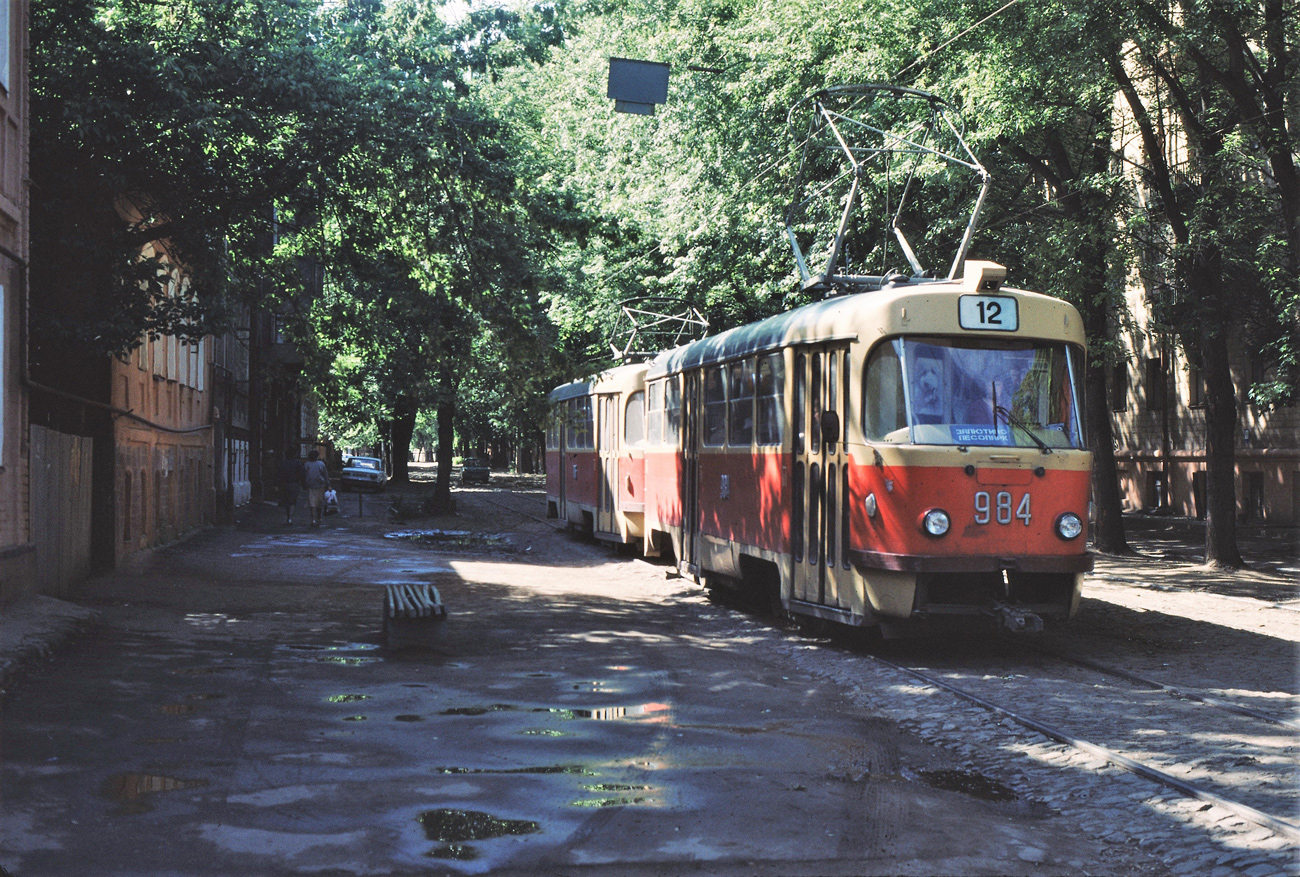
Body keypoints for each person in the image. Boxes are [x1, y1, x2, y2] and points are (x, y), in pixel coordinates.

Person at [303, 449, 331, 527]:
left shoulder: (306, 464)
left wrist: (304, 484)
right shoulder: (321, 464)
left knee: (312, 503)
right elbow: (325, 474)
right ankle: (319, 517)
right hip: (320, 485)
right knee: (319, 502)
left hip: (310, 485)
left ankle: (313, 519)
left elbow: (304, 475)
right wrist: (328, 484)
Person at [276, 449, 304, 525]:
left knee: (286, 501)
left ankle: (288, 516)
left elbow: (279, 473)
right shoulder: (297, 463)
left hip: (284, 484)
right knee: (293, 501)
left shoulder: (283, 462)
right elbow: (300, 473)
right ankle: (290, 517)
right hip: (294, 483)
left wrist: (277, 484)